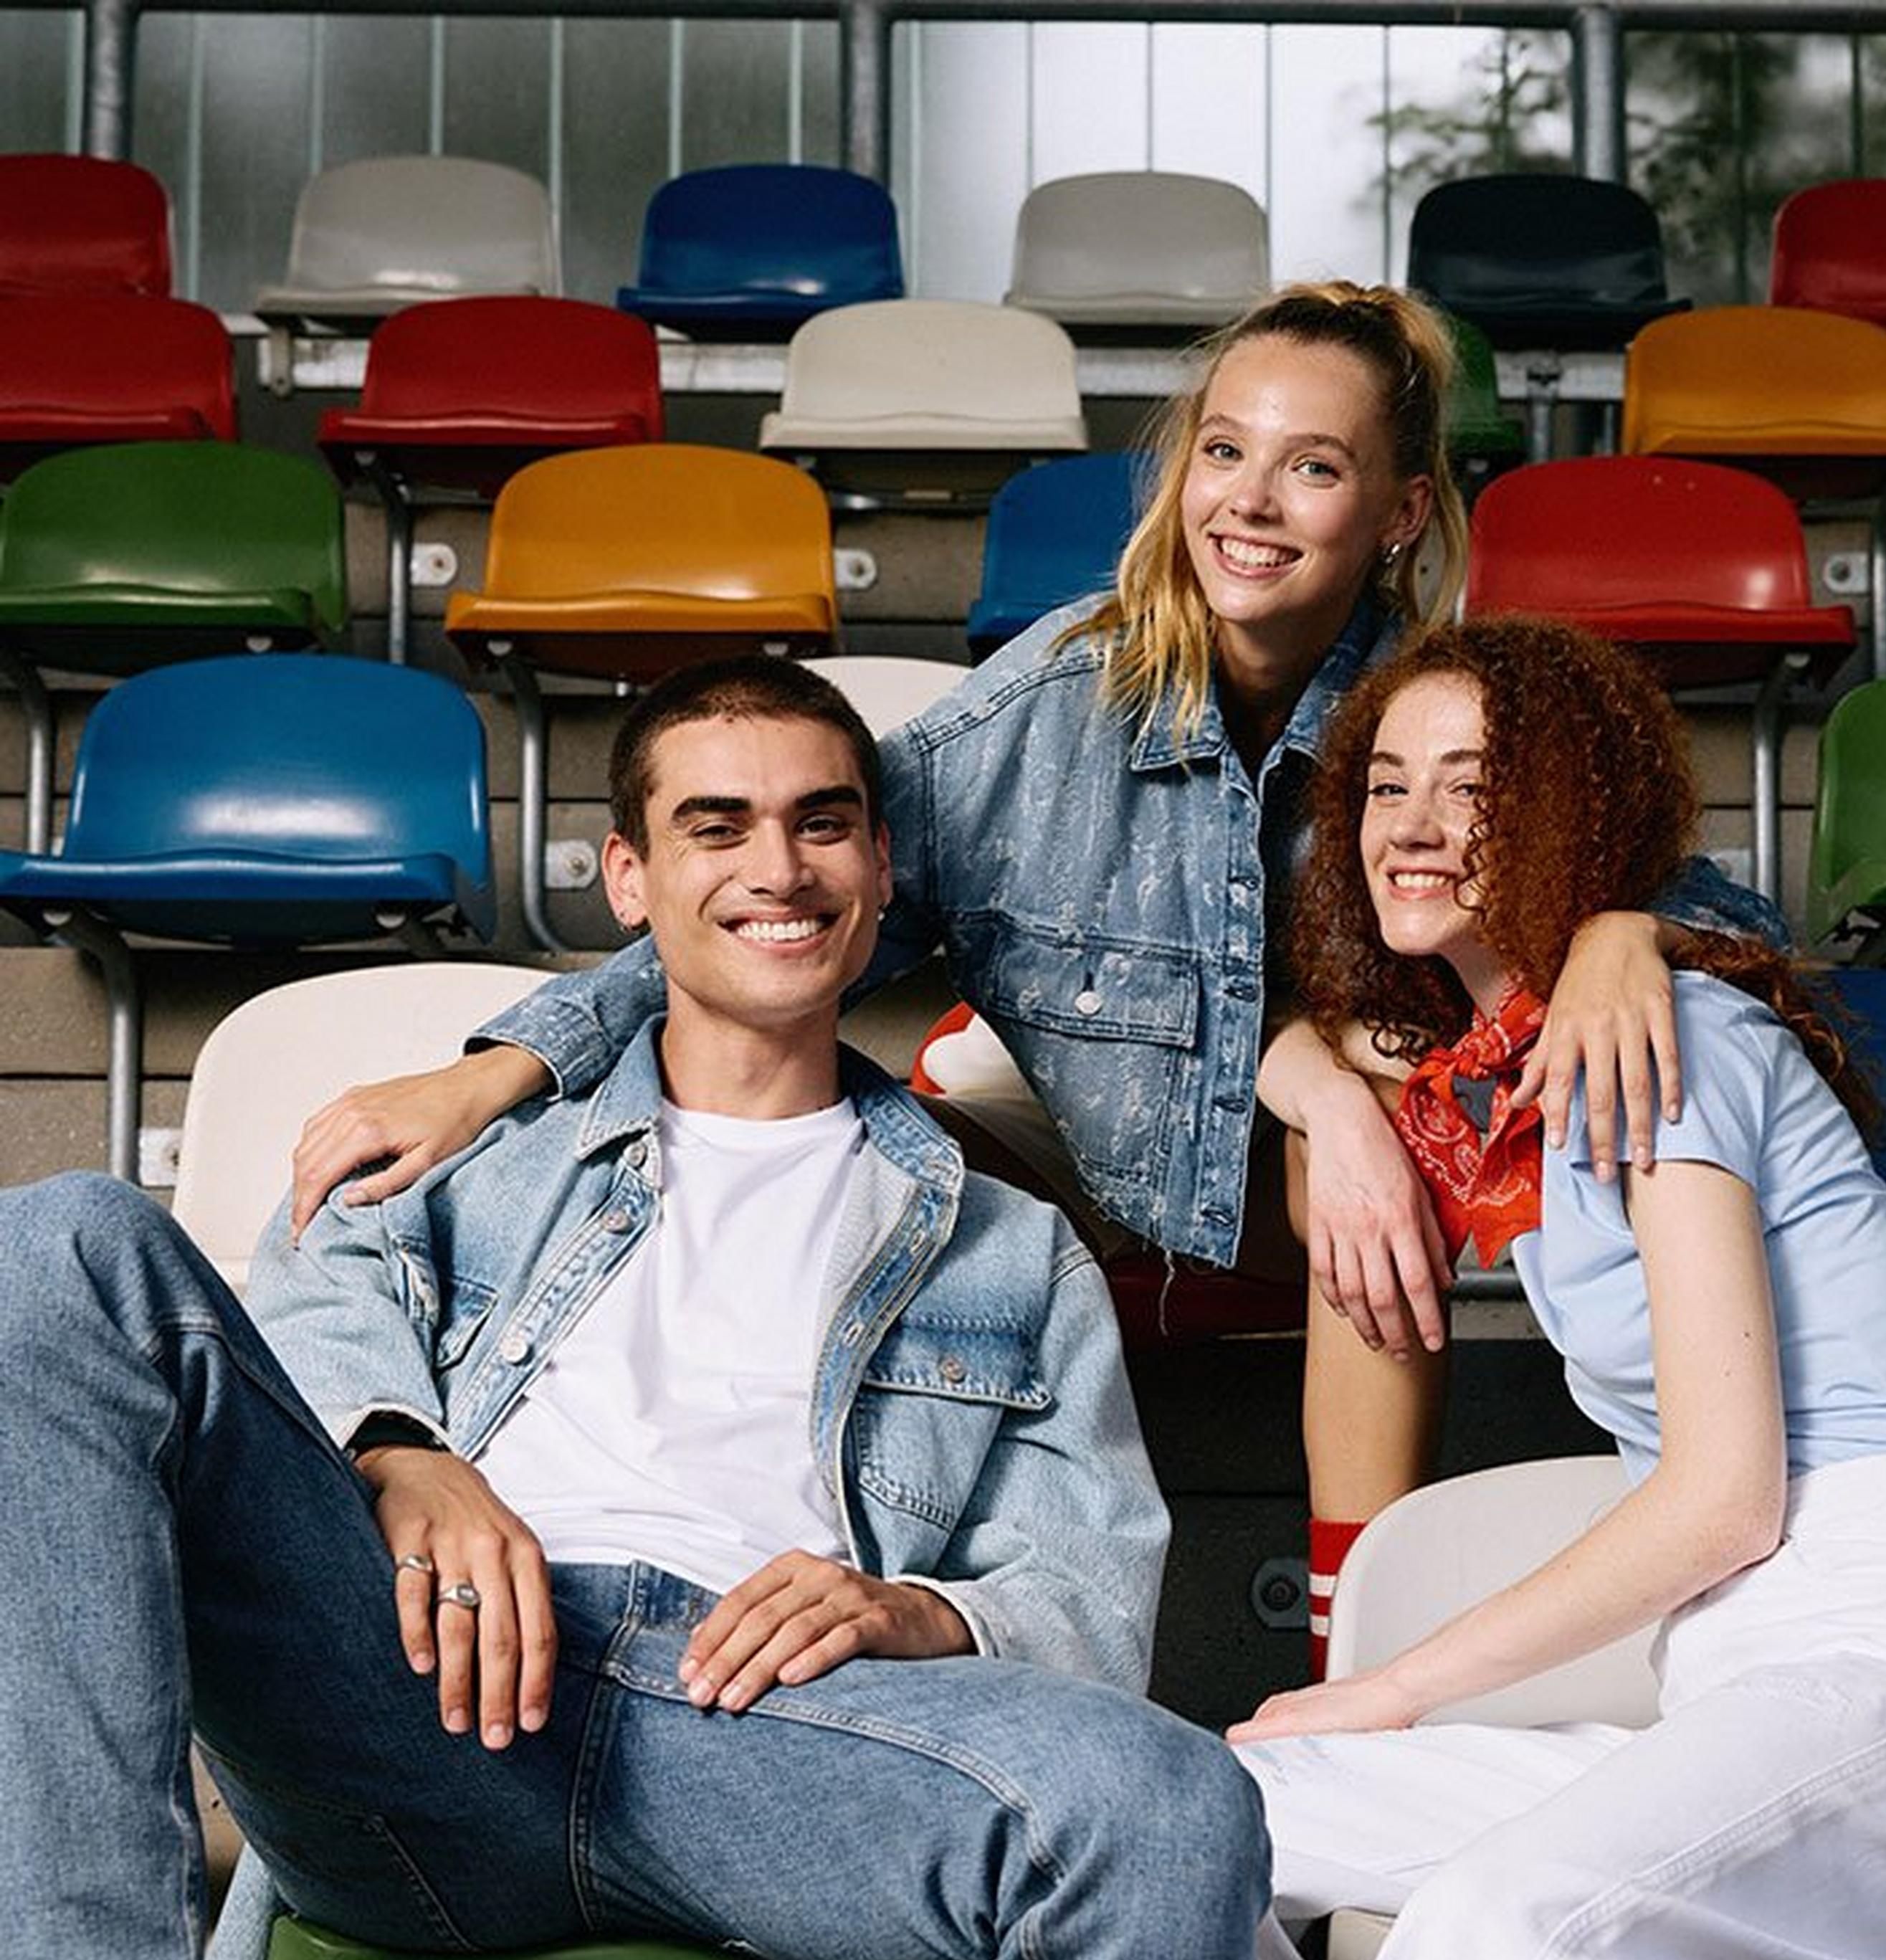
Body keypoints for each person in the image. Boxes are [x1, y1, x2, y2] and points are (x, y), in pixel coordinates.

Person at [287, 282, 1771, 1670]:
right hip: (1090, 1156)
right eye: (1223, 453)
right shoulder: (1048, 713)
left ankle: (1355, 1646)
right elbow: (759, 906)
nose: (1249, 503)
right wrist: (498, 1072)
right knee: (835, 1134)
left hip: (1338, 1192)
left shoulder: (1451, 709)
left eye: (1312, 468)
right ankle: (793, 1534)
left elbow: (1731, 921)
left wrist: (1620, 936)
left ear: (1401, 513)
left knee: (1362, 1141)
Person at [0, 657, 1270, 1960]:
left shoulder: (1009, 1252)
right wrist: (401, 1452)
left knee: (1175, 1807)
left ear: (879, 866)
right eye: (717, 828)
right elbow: (302, 1338)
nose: (777, 869)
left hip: (776, 1728)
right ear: (628, 879)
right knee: (60, 1243)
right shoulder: (463, 1154)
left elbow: (1088, 1605)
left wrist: (912, 1611)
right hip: (421, 1695)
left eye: (822, 823)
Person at [1221, 615, 1886, 1960]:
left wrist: (1393, 1691)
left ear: (1568, 815)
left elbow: (1724, 1502)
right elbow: (1213, 1032)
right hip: (1730, 1690)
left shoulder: (1670, 1038)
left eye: (1474, 789)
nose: (1412, 827)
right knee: (1183, 1819)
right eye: (1387, 785)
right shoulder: (1509, 1070)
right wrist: (1321, 1091)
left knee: (1514, 1927)